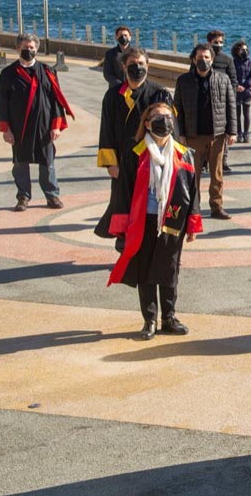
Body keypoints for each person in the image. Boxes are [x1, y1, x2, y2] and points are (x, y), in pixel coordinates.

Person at [106, 101, 201, 340]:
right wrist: (121, 226)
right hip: (142, 221)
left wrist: (192, 225)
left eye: (168, 117)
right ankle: (149, 320)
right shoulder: (135, 154)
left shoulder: (185, 153)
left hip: (172, 221)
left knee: (170, 270)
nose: (163, 121)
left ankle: (169, 317)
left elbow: (193, 192)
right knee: (144, 271)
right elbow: (123, 191)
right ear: (147, 123)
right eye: (157, 117)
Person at [95, 48, 174, 247]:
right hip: (123, 161)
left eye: (141, 63)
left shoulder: (160, 94)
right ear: (124, 67)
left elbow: (173, 130)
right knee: (122, 203)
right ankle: (123, 242)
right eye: (132, 64)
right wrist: (110, 164)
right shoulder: (113, 96)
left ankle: (153, 244)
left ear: (148, 65)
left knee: (151, 205)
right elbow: (106, 131)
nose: (137, 68)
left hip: (152, 161)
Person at [0, 33, 74, 211]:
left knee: (47, 162)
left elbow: (56, 101)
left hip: (44, 126)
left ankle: (52, 195)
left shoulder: (48, 72)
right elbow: (2, 104)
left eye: (32, 48)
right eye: (25, 47)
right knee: (20, 163)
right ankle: (23, 196)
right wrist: (5, 129)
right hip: (19, 127)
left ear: (37, 49)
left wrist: (56, 126)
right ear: (18, 48)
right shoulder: (8, 74)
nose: (29, 51)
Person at [173, 43, 237, 219]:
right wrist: (181, 134)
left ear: (212, 59)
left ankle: (216, 207)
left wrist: (232, 131)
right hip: (193, 136)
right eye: (200, 58)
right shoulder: (183, 81)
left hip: (217, 135)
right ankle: (194, 208)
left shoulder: (223, 79)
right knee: (193, 175)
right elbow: (176, 108)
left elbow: (231, 106)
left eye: (207, 57)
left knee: (217, 175)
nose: (203, 61)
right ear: (194, 59)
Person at [206, 30, 237, 173]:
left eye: (221, 42)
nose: (219, 45)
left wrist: (231, 98)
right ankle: (206, 161)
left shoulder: (227, 60)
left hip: (222, 102)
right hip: (206, 101)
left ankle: (223, 161)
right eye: (216, 42)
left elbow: (233, 81)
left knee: (223, 134)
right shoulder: (203, 58)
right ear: (209, 43)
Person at [232, 41, 251, 143]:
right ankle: (239, 133)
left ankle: (246, 133)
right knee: (237, 114)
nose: (245, 51)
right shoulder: (233, 62)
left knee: (246, 114)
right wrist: (237, 86)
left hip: (247, 92)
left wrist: (245, 86)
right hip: (237, 92)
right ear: (237, 51)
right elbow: (231, 75)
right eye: (243, 49)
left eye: (246, 49)